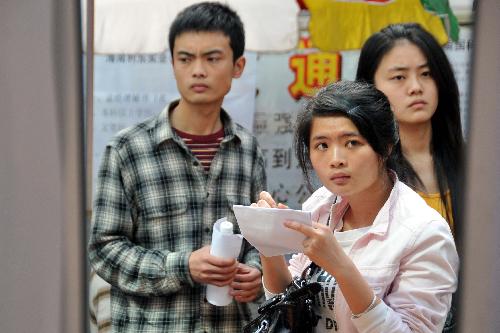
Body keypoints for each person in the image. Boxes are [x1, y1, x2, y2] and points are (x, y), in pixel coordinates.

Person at [88, 2, 267, 332]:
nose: (198, 70)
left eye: (212, 58)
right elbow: (103, 250)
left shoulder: (248, 151)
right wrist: (182, 265)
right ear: (172, 63)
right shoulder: (128, 149)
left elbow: (255, 240)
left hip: (229, 324)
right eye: (186, 58)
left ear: (237, 65)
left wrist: (255, 273)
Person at [254, 81, 458, 332]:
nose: (336, 160)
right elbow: (287, 309)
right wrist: (269, 246)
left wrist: (341, 267)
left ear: (385, 146)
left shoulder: (425, 231)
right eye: (322, 145)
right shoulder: (322, 204)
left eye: (352, 143)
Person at [355, 23, 465, 235]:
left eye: (426, 74)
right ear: (370, 87)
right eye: (399, 77)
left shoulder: (477, 163)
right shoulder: (364, 171)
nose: (416, 87)